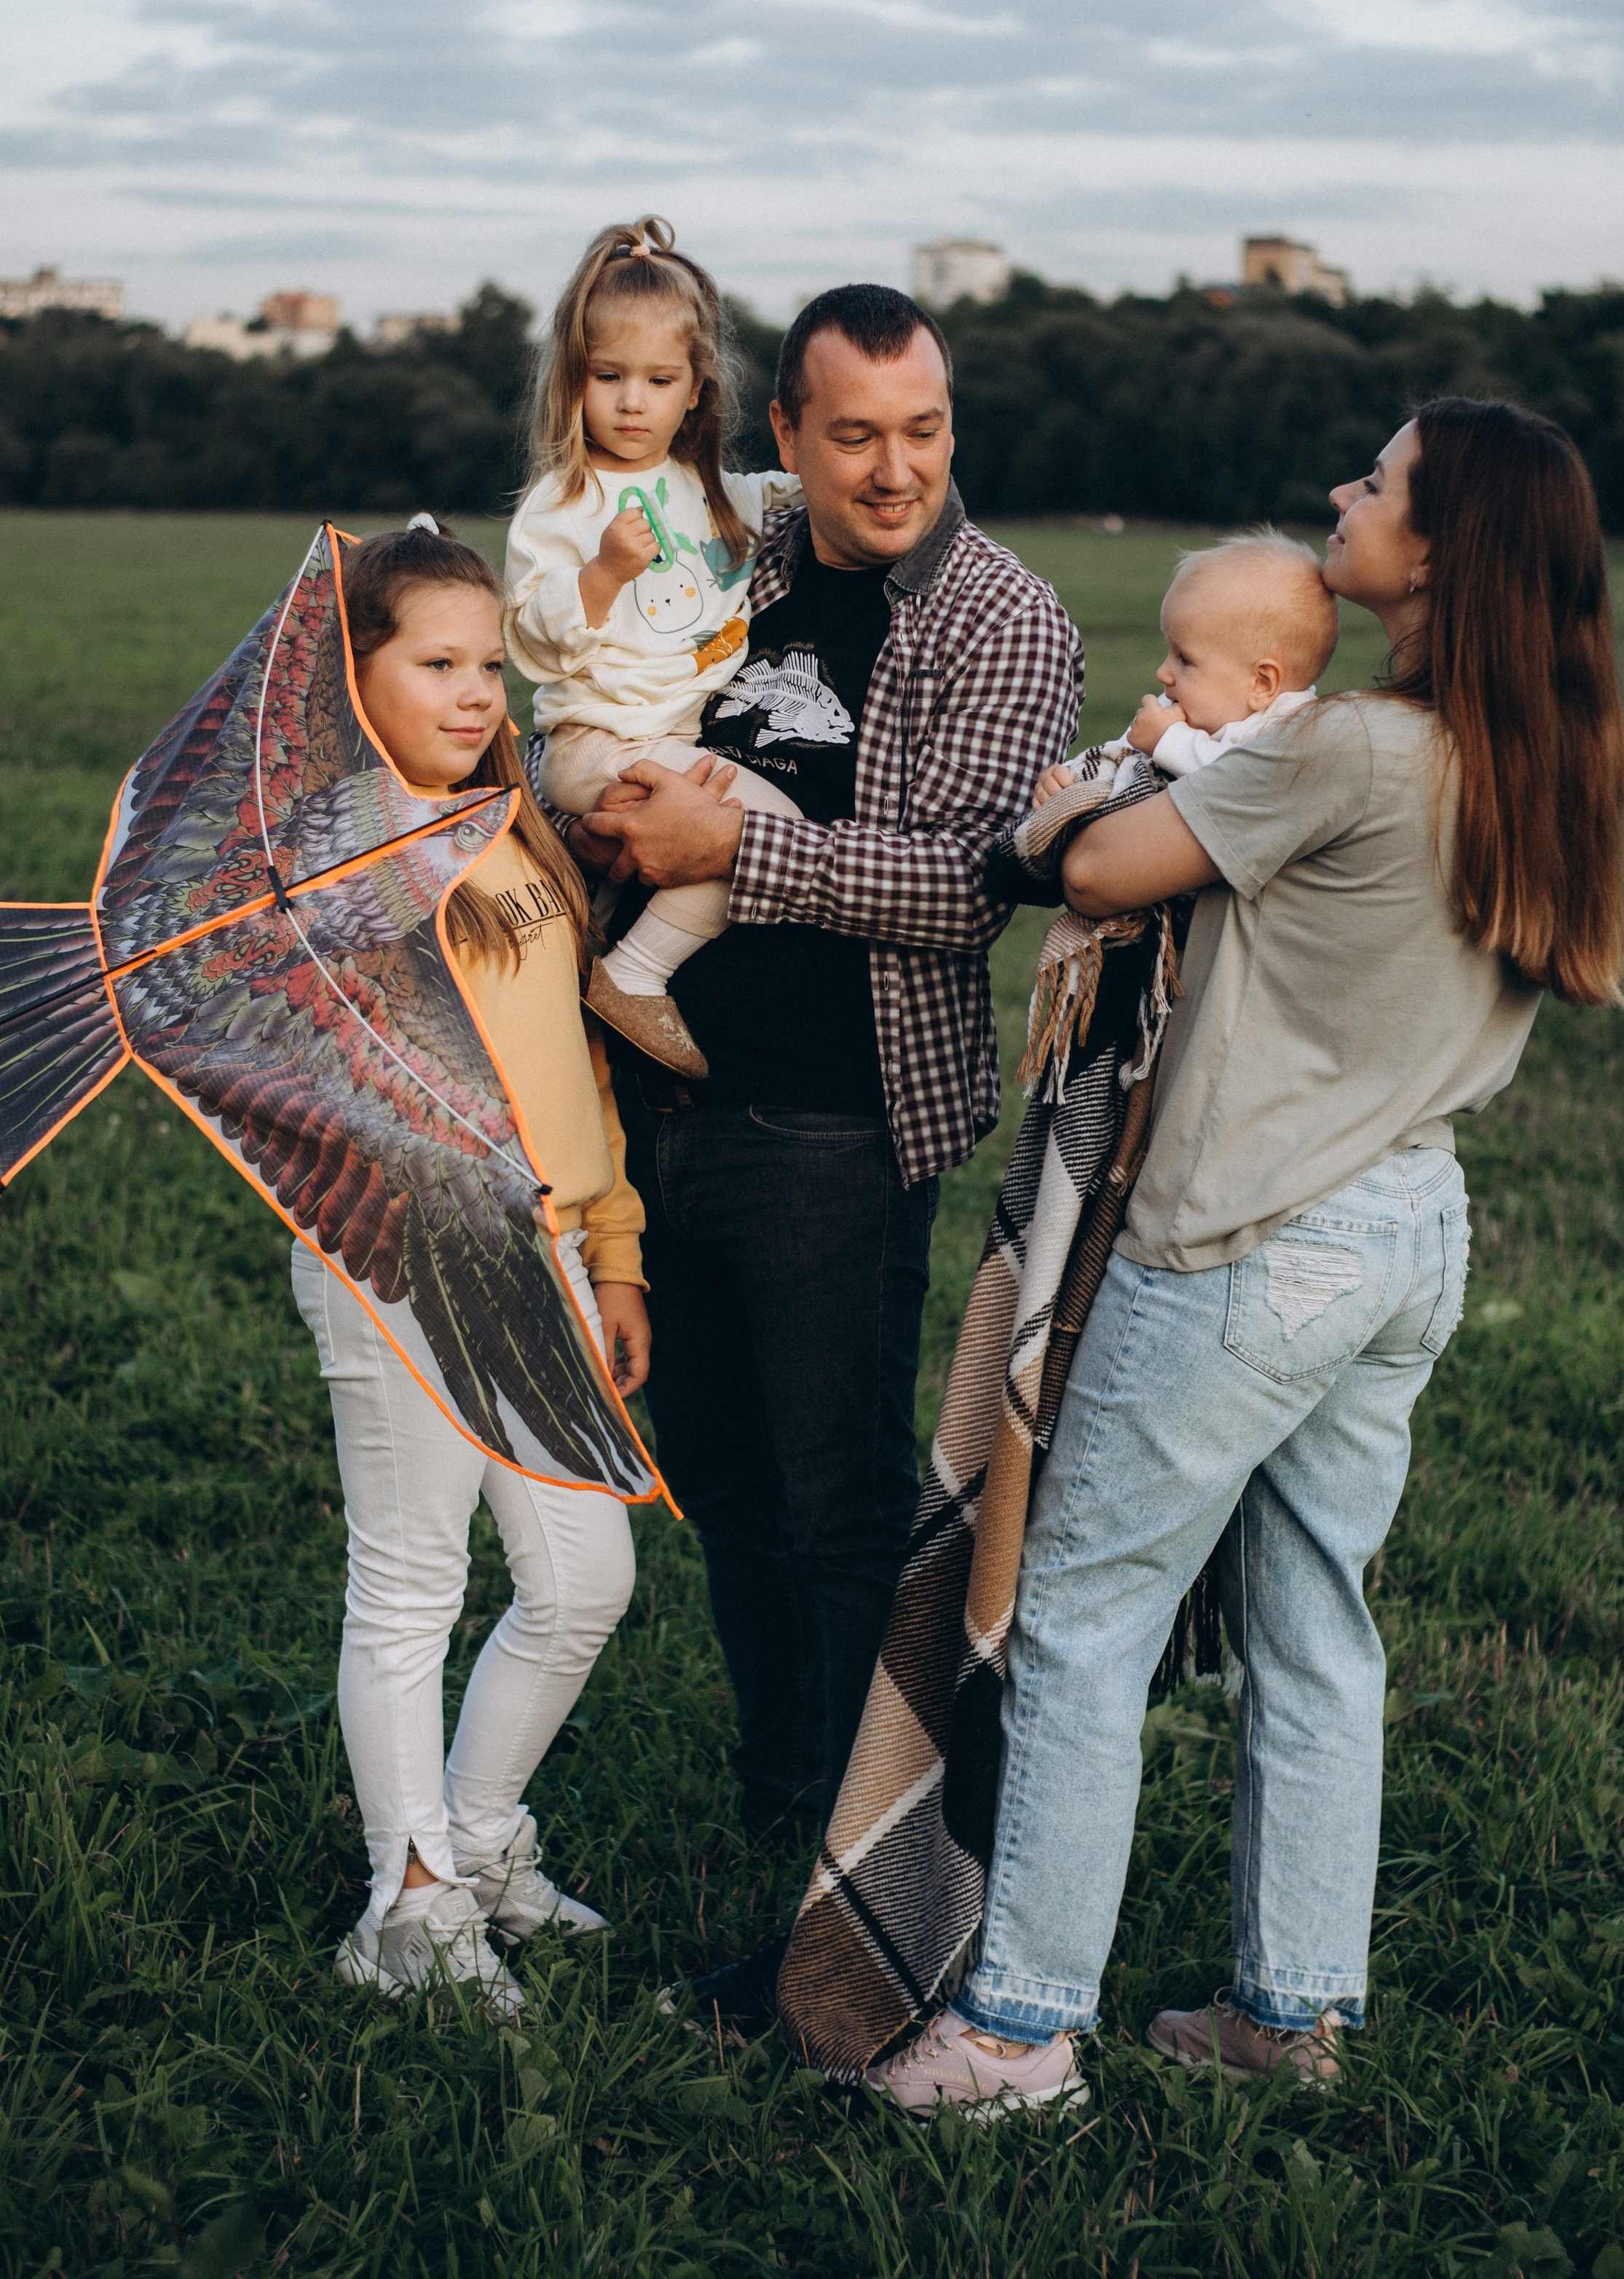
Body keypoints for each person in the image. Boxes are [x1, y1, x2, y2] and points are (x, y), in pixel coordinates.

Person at [867, 395, 1624, 2115]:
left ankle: (1012, 2032)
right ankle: (1287, 2014)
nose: (1337, 495)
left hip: (1244, 1236)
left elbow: (1095, 862)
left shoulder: (1344, 748)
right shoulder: (1529, 759)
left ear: (1433, 551)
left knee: (1074, 1622)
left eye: (1372, 481)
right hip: (1405, 1232)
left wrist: (1106, 766)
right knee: (1312, 1630)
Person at [564, 284, 1084, 2027]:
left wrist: (739, 845)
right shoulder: (732, 552)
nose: (894, 467)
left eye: (922, 428)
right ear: (781, 431)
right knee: (712, 1463)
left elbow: (971, 884)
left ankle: (877, 1850)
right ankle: (782, 1775)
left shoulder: (1002, 615)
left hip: (837, 1113)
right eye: (852, 431)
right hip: (657, 1101)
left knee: (836, 1489)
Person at [301, 522, 652, 2018]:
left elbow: (568, 1051)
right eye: (434, 666)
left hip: (553, 1252)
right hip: (409, 1253)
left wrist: (613, 1244)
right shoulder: (336, 849)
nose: (472, 695)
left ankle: (482, 1832)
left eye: (486, 668)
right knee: (413, 1580)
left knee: (585, 1581)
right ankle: (410, 1902)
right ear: (350, 675)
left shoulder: (506, 822)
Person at [503, 216, 804, 1079]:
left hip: (674, 742)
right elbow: (528, 639)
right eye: (608, 376)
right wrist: (599, 575)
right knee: (753, 834)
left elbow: (803, 488)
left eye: (658, 379)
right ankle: (634, 978)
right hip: (594, 744)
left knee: (756, 833)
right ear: (573, 381)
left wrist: (838, 470)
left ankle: (594, 945)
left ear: (696, 392)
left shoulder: (712, 497)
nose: (632, 402)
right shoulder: (561, 505)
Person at [1032, 529, 1339, 806]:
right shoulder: (1179, 709)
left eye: (1185, 660)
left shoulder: (1291, 733)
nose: (1162, 673)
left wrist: (1166, 740)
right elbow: (1115, 754)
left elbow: (1247, 783)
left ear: (1261, 684)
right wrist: (1066, 778)